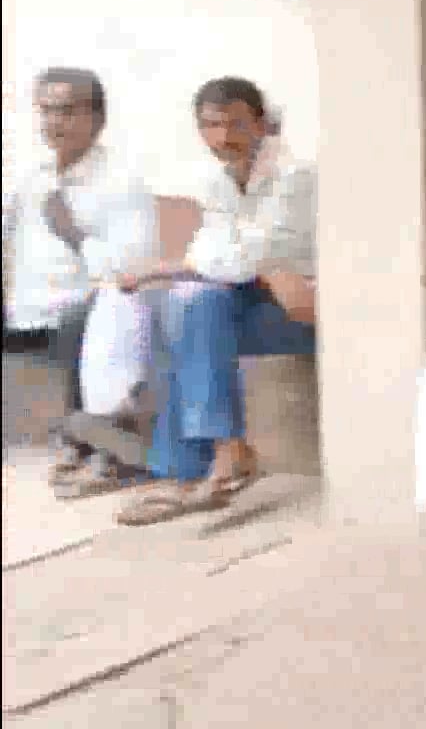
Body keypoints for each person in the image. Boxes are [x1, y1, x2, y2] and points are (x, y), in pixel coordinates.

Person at [112, 77, 318, 526]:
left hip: (303, 312)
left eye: (235, 124)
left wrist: (169, 267)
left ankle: (192, 468)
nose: (223, 138)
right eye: (211, 126)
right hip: (255, 299)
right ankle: (217, 456)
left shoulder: (296, 176)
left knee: (189, 308)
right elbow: (216, 253)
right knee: (190, 305)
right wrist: (240, 266)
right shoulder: (217, 180)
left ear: (261, 124)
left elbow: (256, 251)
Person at [2, 67, 157, 494]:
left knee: (86, 319)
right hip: (27, 310)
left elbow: (131, 269)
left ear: (98, 118)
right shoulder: (31, 177)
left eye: (68, 111)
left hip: (91, 310)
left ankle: (103, 448)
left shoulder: (121, 183)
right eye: (47, 111)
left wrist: (74, 234)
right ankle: (80, 440)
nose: (55, 121)